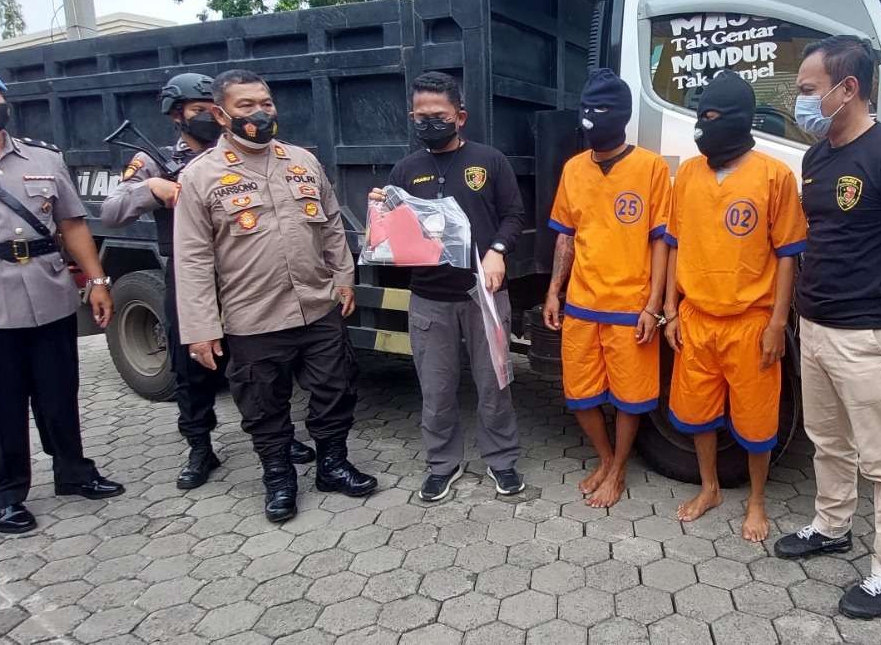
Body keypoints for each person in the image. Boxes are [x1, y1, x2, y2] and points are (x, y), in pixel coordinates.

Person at [772, 36, 881, 618]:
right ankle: (831, 525)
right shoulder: (819, 157)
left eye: (807, 90)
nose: (800, 101)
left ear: (848, 89)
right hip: (817, 325)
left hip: (869, 333)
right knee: (828, 439)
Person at [0, 58, 124, 534]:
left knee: (59, 394)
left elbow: (72, 224)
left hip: (47, 289)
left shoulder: (43, 157)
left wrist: (97, 280)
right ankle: (1, 494)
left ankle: (74, 471)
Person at [174, 69, 375, 523]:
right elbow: (192, 259)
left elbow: (330, 225)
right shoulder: (202, 176)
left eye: (265, 103)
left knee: (334, 389)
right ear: (220, 114)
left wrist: (344, 277)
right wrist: (201, 329)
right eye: (247, 106)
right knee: (264, 404)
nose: (260, 113)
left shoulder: (302, 161)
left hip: (318, 304)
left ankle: (332, 465)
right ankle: (278, 477)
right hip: (253, 316)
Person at [101, 73, 315, 490]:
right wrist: (151, 188)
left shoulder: (242, 153)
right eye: (197, 111)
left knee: (265, 366)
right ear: (178, 115)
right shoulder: (154, 160)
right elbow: (111, 210)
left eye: (209, 110)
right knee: (192, 367)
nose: (207, 119)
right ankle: (199, 446)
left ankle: (279, 438)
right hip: (190, 274)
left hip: (246, 273)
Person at [662, 70, 806, 542]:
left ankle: (757, 501)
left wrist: (777, 322)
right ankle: (710, 488)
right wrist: (669, 310)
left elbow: (787, 254)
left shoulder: (774, 175)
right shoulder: (688, 175)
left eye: (715, 117)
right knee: (698, 413)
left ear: (741, 121)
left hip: (751, 323)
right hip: (696, 319)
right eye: (701, 115)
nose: (705, 125)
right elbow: (675, 244)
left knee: (757, 418)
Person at [369, 71, 525, 503]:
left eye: (438, 115)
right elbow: (393, 239)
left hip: (484, 297)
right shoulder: (405, 169)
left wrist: (497, 250)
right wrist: (378, 223)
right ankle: (443, 464)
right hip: (429, 299)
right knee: (436, 391)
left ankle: (502, 460)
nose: (428, 123)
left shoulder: (489, 161)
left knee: (495, 386)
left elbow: (514, 215)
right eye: (420, 116)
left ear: (460, 116)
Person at [543, 69, 671, 508]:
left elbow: (661, 240)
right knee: (579, 395)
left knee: (631, 400)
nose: (591, 118)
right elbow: (565, 236)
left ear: (621, 115)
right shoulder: (574, 169)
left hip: (629, 305)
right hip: (581, 303)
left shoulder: (651, 167)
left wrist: (653, 304)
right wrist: (553, 289)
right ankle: (605, 457)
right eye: (586, 110)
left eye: (601, 110)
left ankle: (617, 470)